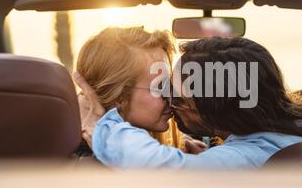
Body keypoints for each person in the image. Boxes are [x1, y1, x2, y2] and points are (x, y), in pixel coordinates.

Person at [75, 37, 302, 170]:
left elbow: (163, 172)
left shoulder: (249, 156)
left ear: (216, 107)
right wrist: (212, 158)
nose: (171, 103)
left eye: (176, 95)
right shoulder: (299, 133)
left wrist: (101, 128)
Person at [76, 26, 207, 154]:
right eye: (160, 87)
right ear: (117, 96)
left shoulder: (167, 147)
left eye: (170, 85)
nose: (172, 96)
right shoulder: (88, 163)